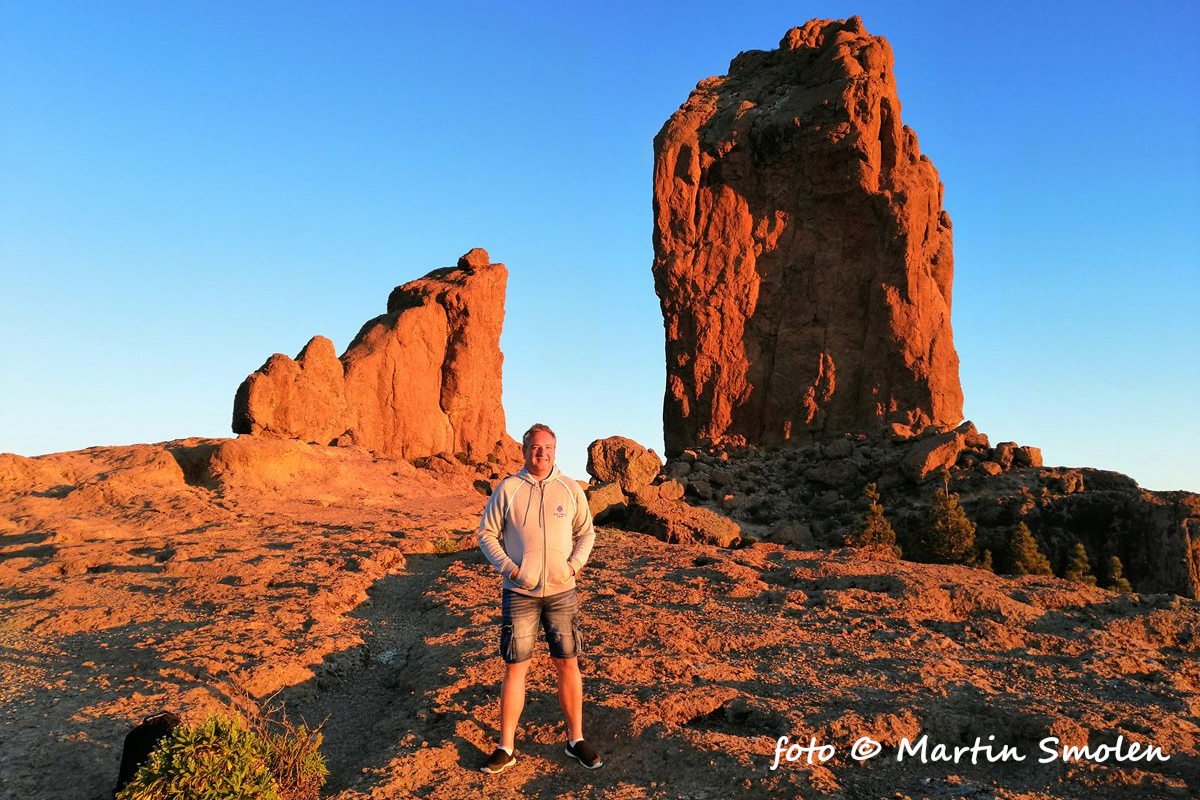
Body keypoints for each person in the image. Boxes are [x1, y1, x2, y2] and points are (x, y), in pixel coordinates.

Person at [476, 423, 601, 774]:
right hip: (520, 592)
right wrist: (511, 569)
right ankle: (506, 746)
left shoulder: (570, 488)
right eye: (534, 447)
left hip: (562, 592)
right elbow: (486, 533)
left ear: (555, 450)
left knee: (568, 663)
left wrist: (574, 567)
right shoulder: (509, 489)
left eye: (547, 447)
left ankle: (575, 740)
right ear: (524, 450)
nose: (541, 453)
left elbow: (586, 533)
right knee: (516, 667)